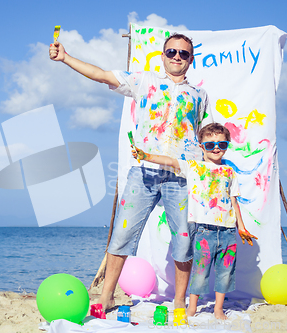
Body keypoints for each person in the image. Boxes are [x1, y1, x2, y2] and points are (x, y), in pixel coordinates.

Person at [50, 33, 213, 311]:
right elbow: (101, 75)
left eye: (183, 53)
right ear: (163, 56)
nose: (176, 57)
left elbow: (206, 139)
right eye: (172, 52)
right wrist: (65, 58)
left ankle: (178, 303)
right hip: (144, 174)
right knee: (121, 236)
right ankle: (106, 296)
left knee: (184, 240)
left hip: (183, 178)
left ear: (191, 59)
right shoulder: (144, 81)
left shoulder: (200, 95)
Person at [132, 123, 257, 320]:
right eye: (210, 145)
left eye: (222, 144)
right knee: (200, 272)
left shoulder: (230, 172)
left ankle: (218, 308)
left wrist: (241, 227)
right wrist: (146, 156)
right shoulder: (194, 167)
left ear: (227, 145)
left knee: (225, 272)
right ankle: (192, 308)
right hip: (204, 231)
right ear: (201, 146)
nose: (216, 148)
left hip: (227, 232)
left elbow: (234, 201)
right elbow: (171, 161)